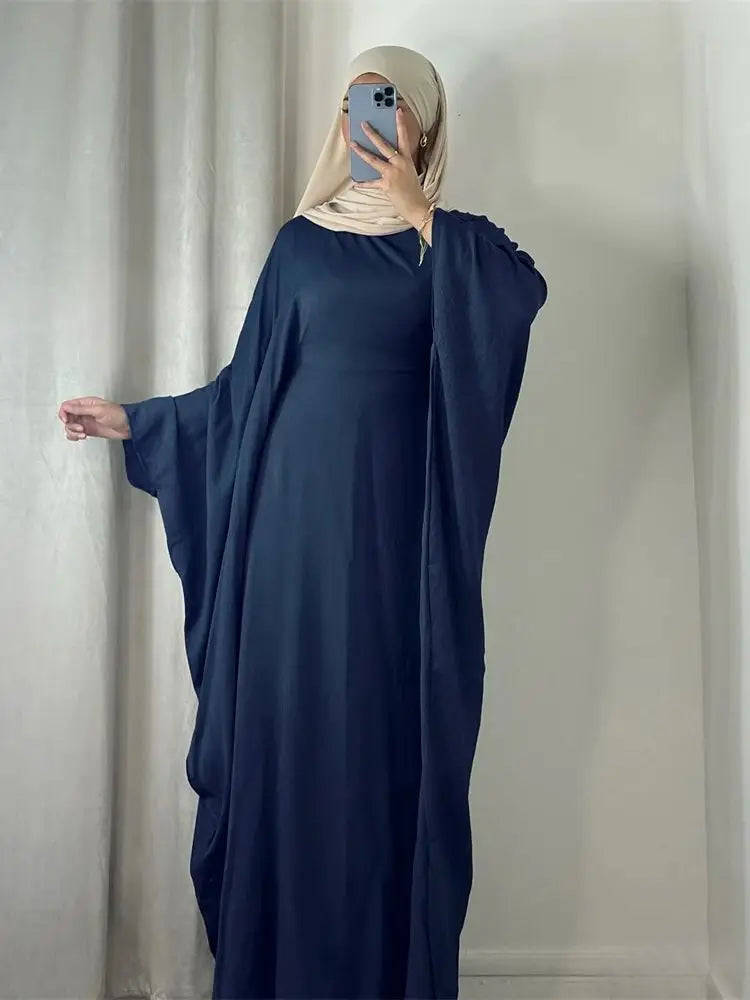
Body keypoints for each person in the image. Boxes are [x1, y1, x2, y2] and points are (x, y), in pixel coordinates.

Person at [58, 43, 547, 1000]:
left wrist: (417, 210)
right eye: (359, 100)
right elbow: (244, 393)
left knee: (378, 735)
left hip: (394, 544)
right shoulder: (300, 245)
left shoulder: (454, 244)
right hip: (290, 536)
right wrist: (138, 421)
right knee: (291, 732)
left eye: (392, 101)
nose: (372, 117)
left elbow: (515, 302)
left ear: (426, 122)